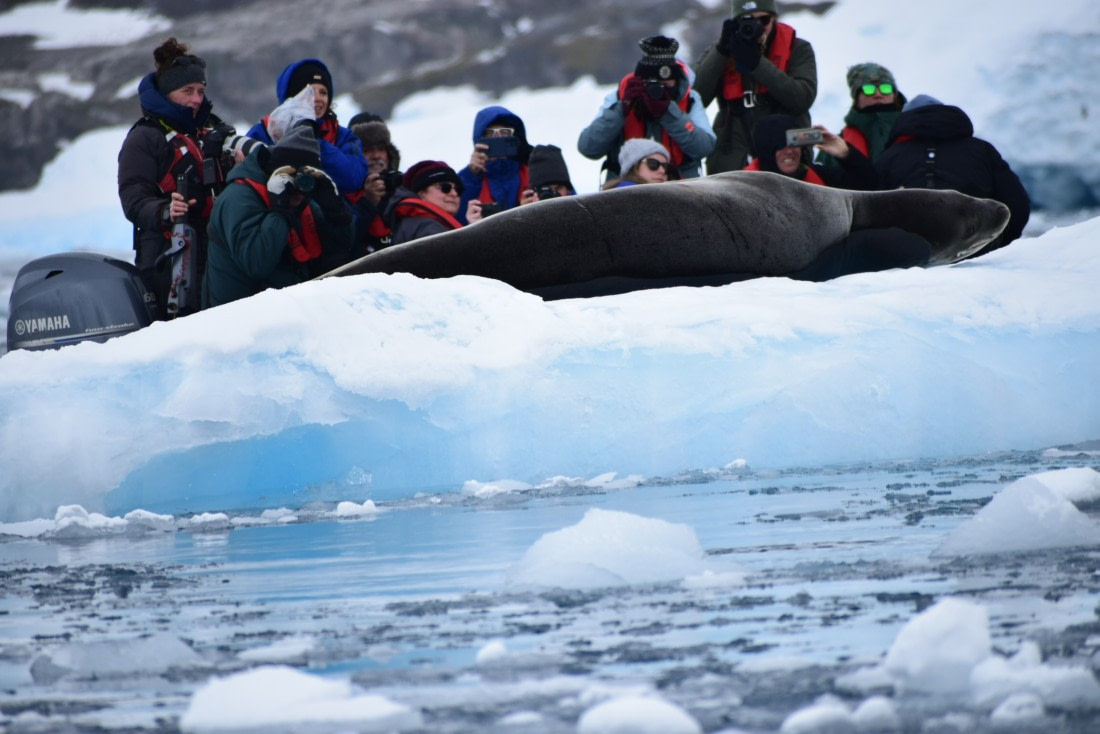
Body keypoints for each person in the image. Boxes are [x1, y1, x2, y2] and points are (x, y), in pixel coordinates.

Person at [117, 37, 237, 319]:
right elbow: (133, 197)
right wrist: (164, 210)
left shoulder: (210, 130)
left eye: (200, 90)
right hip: (167, 257)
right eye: (188, 91)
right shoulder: (145, 138)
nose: (197, 99)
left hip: (215, 251)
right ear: (168, 92)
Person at [202, 125, 355, 308]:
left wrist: (336, 211)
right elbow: (256, 263)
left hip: (283, 313)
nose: (299, 189)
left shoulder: (301, 200)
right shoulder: (238, 198)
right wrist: (281, 211)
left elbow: (340, 249)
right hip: (238, 319)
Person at [875, 95, 1031, 253]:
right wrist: (998, 243)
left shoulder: (890, 157)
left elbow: (871, 211)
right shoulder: (981, 150)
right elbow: (1017, 202)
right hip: (974, 252)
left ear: (905, 121)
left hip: (909, 256)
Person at [693, 0, 817, 174]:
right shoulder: (720, 52)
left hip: (785, 152)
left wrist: (757, 64)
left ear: (774, 18)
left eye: (764, 20)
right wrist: (721, 52)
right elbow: (695, 100)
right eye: (747, 21)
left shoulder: (797, 48)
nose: (757, 26)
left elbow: (802, 99)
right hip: (733, 156)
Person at [578, 35, 715, 181]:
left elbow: (704, 148)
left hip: (679, 187)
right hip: (626, 190)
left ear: (676, 82)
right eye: (652, 84)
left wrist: (668, 112)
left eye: (667, 85)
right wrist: (621, 109)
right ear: (639, 81)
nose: (659, 91)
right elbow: (588, 148)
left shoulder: (690, 100)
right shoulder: (620, 98)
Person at [245, 58, 367, 199]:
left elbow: (352, 179)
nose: (317, 98)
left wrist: (310, 139)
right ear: (292, 97)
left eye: (323, 92)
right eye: (309, 91)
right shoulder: (265, 131)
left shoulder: (343, 137)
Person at [747, 114, 876, 190]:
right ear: (766, 151)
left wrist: (847, 155)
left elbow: (871, 186)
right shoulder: (744, 186)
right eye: (779, 145)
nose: (789, 151)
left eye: (794, 142)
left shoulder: (820, 175)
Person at [818, 62, 907, 168]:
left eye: (885, 88)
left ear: (895, 94)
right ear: (856, 97)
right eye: (869, 89)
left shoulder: (914, 129)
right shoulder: (835, 144)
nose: (878, 94)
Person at [457, 106, 533, 223]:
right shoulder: (467, 181)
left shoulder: (533, 171)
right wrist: (471, 175)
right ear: (479, 140)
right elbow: (455, 221)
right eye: (489, 134)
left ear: (515, 138)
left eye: (504, 132)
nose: (497, 139)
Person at [386, 161, 481, 245]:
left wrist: (474, 232)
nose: (454, 193)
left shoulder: (415, 224)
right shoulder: (426, 227)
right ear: (422, 193)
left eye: (458, 190)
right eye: (445, 188)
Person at [348, 114, 402, 254]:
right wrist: (368, 202)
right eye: (367, 150)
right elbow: (344, 241)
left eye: (381, 149)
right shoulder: (342, 192)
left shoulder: (404, 188)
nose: (376, 155)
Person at [602, 139, 673, 189]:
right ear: (634, 166)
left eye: (666, 167)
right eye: (653, 163)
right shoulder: (626, 196)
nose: (662, 171)